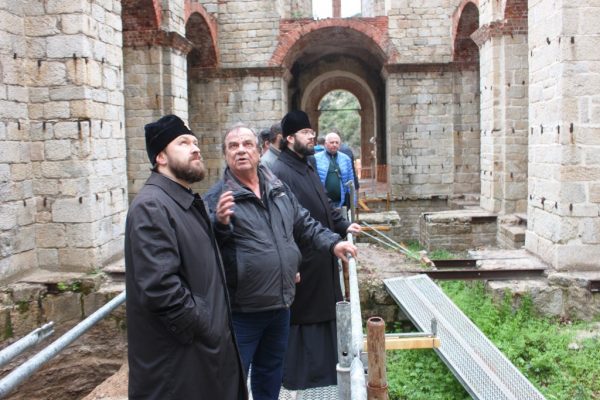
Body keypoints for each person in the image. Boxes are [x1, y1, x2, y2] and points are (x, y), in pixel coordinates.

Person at [204, 124, 357, 400]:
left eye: (247, 144)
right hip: (242, 312)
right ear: (225, 155)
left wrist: (333, 242)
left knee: (270, 374)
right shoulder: (217, 199)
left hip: (281, 305)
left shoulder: (277, 187)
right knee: (232, 380)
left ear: (259, 150)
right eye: (233, 146)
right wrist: (219, 224)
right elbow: (207, 252)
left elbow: (303, 223)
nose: (241, 150)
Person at [124, 115, 247, 400]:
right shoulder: (152, 206)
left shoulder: (185, 202)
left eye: (195, 142)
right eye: (183, 142)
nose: (195, 148)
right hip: (180, 369)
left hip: (204, 357)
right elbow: (160, 289)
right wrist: (208, 327)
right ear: (160, 157)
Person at [270, 110, 361, 390]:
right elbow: (297, 219)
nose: (312, 137)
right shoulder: (280, 171)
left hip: (323, 250)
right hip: (304, 256)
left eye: (312, 132)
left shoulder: (307, 163)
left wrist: (346, 225)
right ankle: (302, 377)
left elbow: (326, 204)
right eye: (306, 133)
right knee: (305, 315)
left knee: (326, 309)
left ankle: (325, 372)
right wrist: (329, 241)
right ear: (289, 139)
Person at [315, 131, 357, 209]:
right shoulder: (316, 159)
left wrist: (353, 202)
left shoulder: (346, 159)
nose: (334, 144)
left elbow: (351, 181)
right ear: (325, 144)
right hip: (322, 203)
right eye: (332, 142)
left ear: (340, 145)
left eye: (337, 142)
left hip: (341, 203)